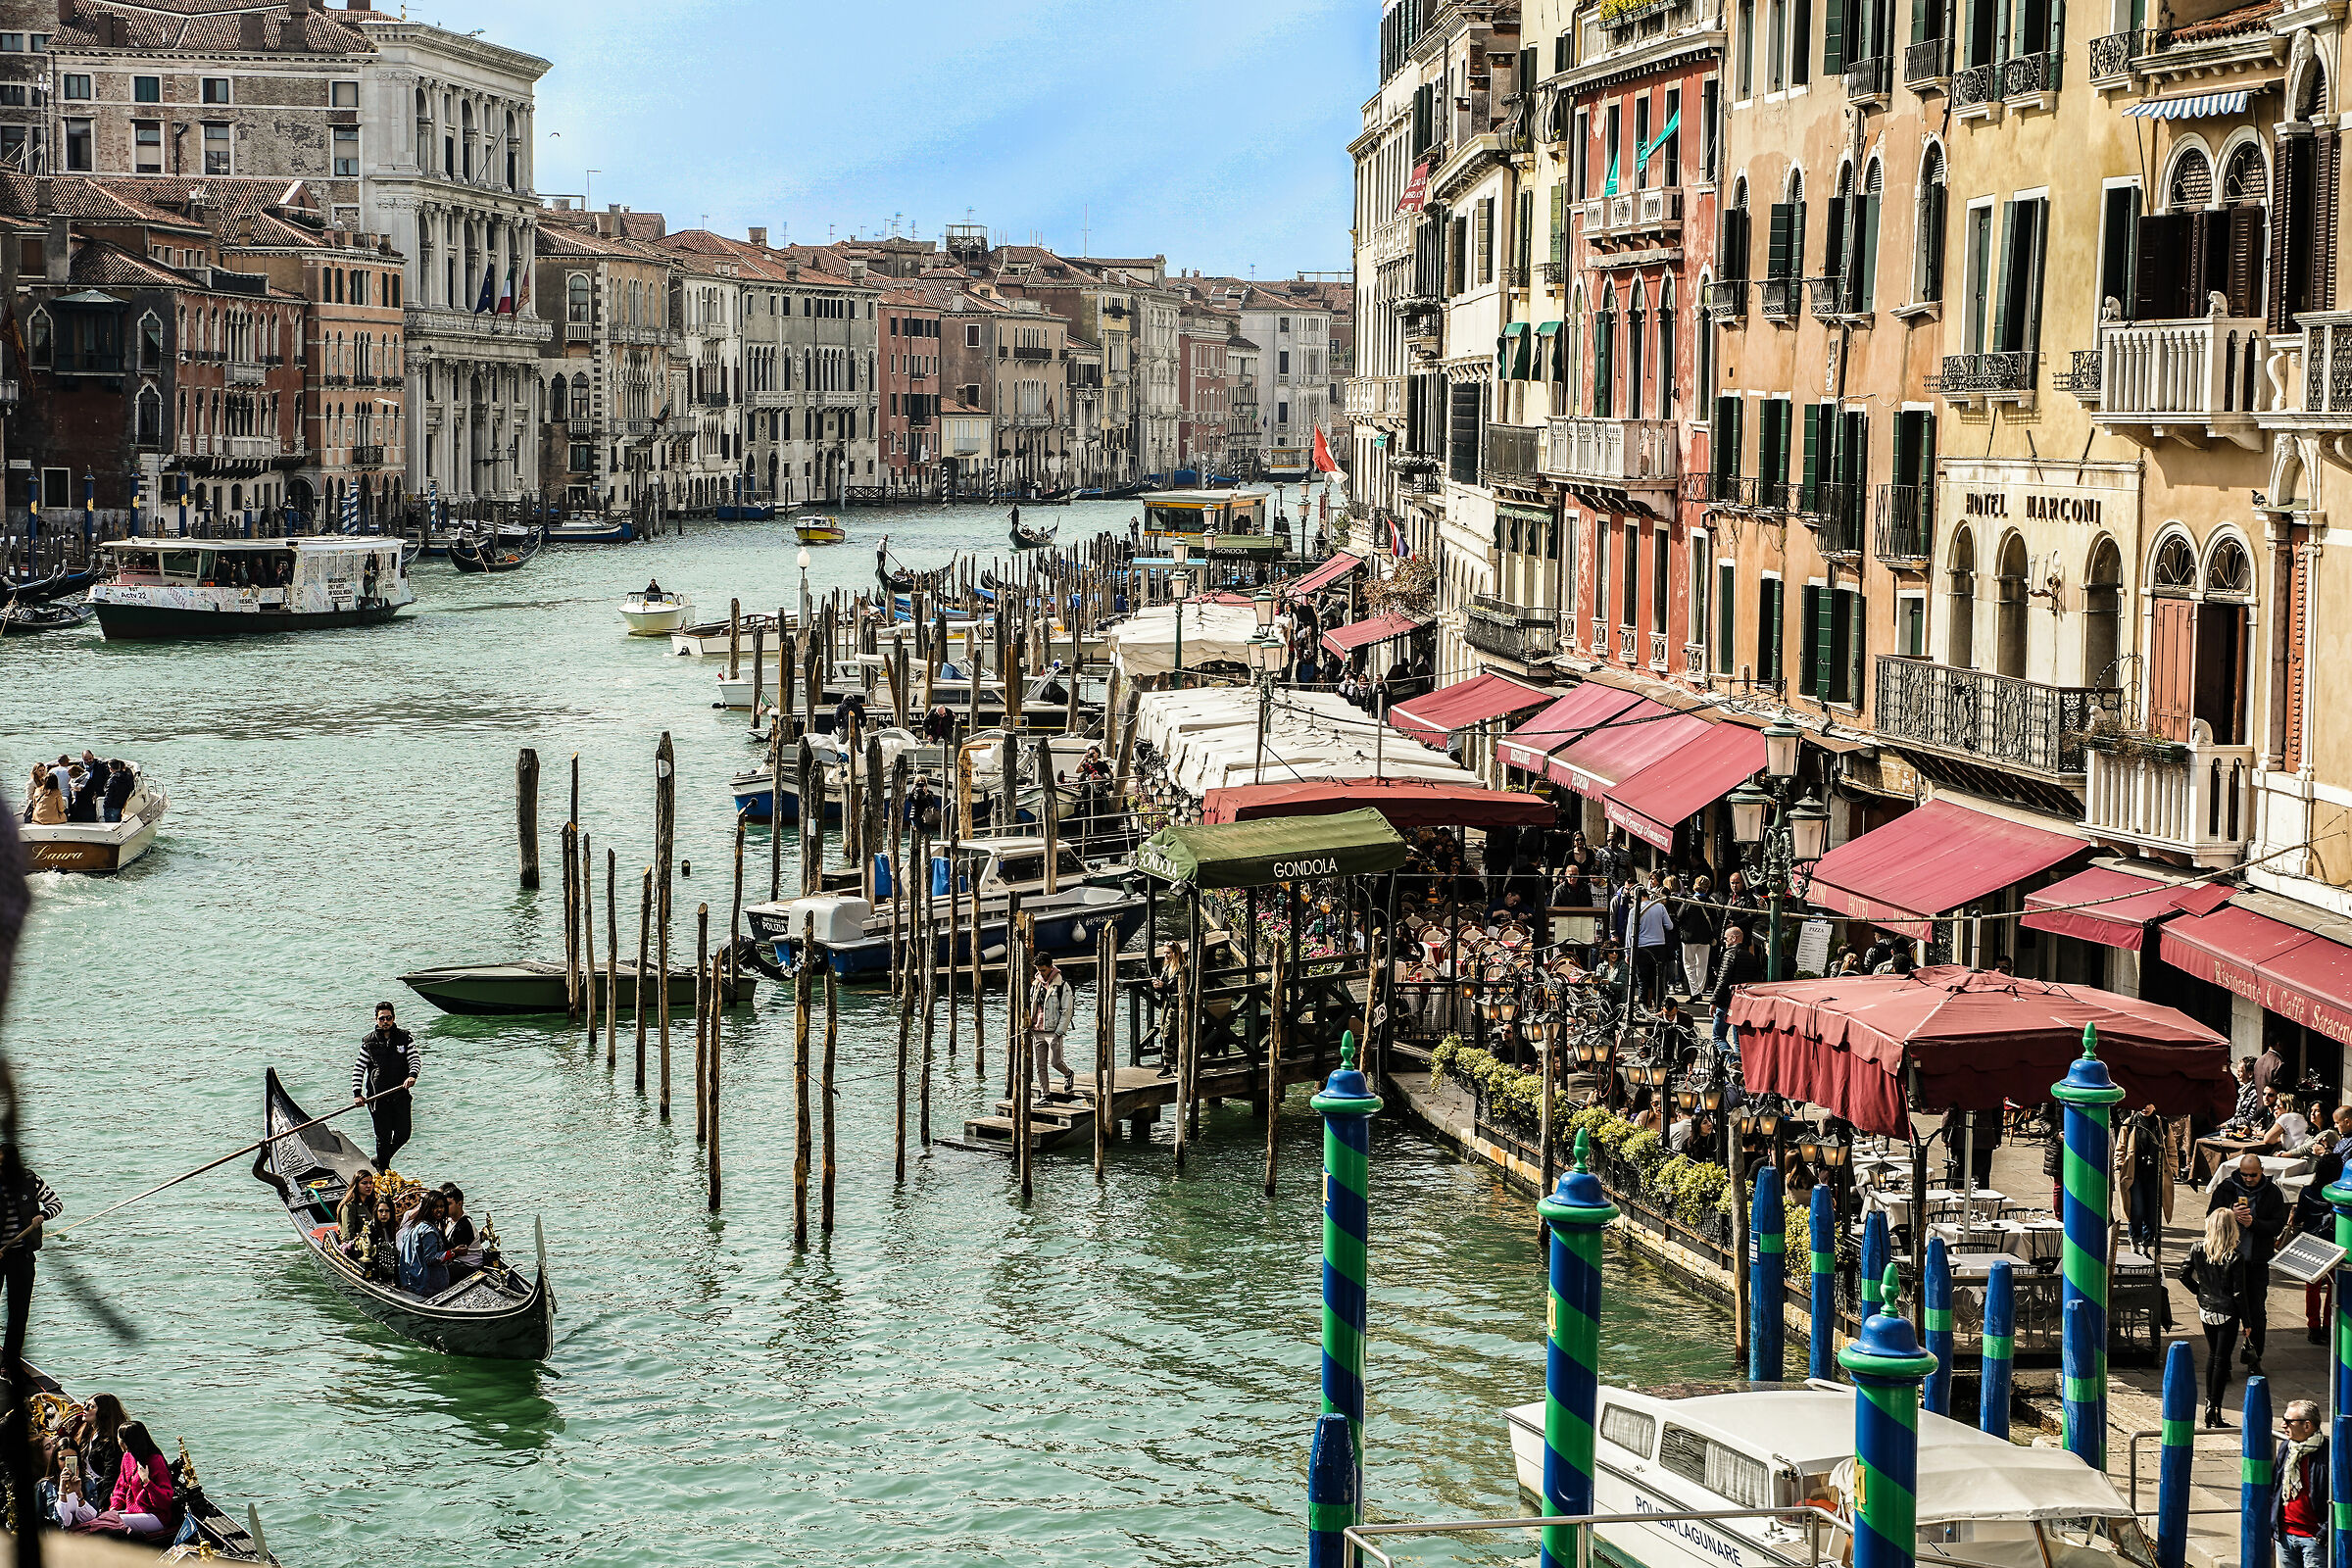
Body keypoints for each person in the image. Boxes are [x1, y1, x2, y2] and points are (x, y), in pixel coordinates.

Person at [2209, 1151, 2289, 1373]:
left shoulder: (2272, 1192)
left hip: (2256, 1261)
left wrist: (2253, 1223)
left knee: (2256, 1313)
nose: (2248, 1179)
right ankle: (2222, 1362)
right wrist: (2229, 1214)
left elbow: (2277, 1225)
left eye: (2253, 1175)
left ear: (2261, 1172)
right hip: (2227, 1262)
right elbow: (2210, 1218)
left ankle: (2254, 1358)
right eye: (2244, 1174)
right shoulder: (2226, 1188)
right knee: (2225, 1313)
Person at [2180, 1206, 2248, 1426]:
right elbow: (2239, 1293)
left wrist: (2199, 1292)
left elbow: (2183, 1274)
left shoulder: (2198, 1248)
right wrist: (2248, 1322)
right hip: (2227, 1312)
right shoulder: (2236, 1257)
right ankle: (2214, 1409)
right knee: (2221, 1359)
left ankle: (2210, 1405)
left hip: (2206, 1309)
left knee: (2212, 1357)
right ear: (2231, 1229)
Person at [351, 1001, 420, 1172]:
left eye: (388, 1018)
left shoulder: (405, 1038)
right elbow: (359, 1068)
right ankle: (383, 1170)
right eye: (382, 1018)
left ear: (394, 1018)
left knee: (403, 1134)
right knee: (383, 1137)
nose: (385, 1021)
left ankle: (380, 1159)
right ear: (376, 1020)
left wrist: (412, 1076)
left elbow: (415, 1060)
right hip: (378, 1099)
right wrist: (357, 1093)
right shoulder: (368, 1042)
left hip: (400, 1095)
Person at [2277, 1399, 2329, 1568]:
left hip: (2314, 1539)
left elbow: (2340, 1496)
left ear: (2307, 1426)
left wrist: (2324, 1532)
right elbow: (2276, 1488)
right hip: (2285, 1536)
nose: (2283, 1424)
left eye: (2288, 1421)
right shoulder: (2286, 1448)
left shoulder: (2329, 1454)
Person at [100, 1420, 175, 1538]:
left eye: (119, 1438)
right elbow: (121, 1488)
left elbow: (164, 1502)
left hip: (155, 1516)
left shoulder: (156, 1461)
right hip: (133, 1512)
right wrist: (114, 1508)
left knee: (108, 1524)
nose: (118, 1441)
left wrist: (147, 1481)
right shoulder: (127, 1457)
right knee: (102, 1519)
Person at [2116, 1102, 2172, 1254]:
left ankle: (2146, 1244)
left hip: (2155, 1173)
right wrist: (2119, 1164)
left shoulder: (2162, 1123)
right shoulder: (2130, 1122)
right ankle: (2134, 1240)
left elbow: (2170, 1147)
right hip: (2135, 1173)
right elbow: (2121, 1145)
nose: (2145, 1107)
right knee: (2137, 1209)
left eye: (2149, 1104)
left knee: (2152, 1212)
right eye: (2141, 1104)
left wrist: (2172, 1168)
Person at [1710, 924, 1765, 1058]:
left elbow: (1723, 980)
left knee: (1717, 1037)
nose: (1724, 941)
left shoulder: (1730, 954)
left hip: (1727, 1002)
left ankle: (1734, 1065)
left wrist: (1714, 1001)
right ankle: (1740, 1068)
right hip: (1743, 1004)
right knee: (1739, 1042)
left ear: (1733, 938)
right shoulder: (1751, 957)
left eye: (1726, 938)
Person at [1029, 957, 1077, 1097]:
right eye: (1038, 970)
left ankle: (1068, 1073)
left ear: (1051, 967)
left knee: (1055, 1062)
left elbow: (1067, 1011)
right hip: (1037, 1030)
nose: (1041, 973)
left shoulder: (1062, 985)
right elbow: (1031, 1004)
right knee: (1040, 1066)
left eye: (1043, 970)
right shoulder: (1036, 983)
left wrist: (1059, 1032)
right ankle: (1045, 1096)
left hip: (1053, 1031)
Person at [397, 1189, 451, 1297]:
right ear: (428, 1208)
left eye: (442, 1206)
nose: (439, 1210)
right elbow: (431, 1259)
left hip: (412, 1280)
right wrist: (453, 1253)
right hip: (426, 1286)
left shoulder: (417, 1225)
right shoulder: (428, 1231)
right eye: (435, 1207)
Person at [1677, 877, 1716, 1000]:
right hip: (1705, 938)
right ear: (1707, 888)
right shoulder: (1711, 902)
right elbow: (1715, 921)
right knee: (1702, 965)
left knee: (1689, 964)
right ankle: (1699, 989)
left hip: (1689, 938)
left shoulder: (1688, 902)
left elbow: (1679, 917)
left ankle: (1694, 991)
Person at [335, 1169, 378, 1245]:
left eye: (371, 1183)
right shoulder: (349, 1206)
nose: (369, 1186)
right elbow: (347, 1236)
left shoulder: (373, 1203)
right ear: (356, 1185)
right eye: (364, 1183)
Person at [100, 760, 132, 824]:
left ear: (110, 769)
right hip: (122, 805)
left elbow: (109, 794)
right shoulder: (126, 777)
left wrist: (105, 805)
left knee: (110, 825)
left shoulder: (112, 780)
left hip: (112, 807)